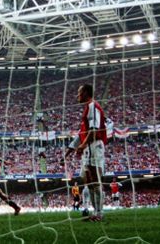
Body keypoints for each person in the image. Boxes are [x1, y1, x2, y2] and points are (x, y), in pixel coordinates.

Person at [65, 83, 107, 222]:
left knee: (95, 181)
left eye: (79, 92)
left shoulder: (92, 106)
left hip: (94, 146)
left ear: (86, 93)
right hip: (88, 147)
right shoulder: (87, 109)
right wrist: (69, 151)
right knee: (87, 180)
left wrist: (83, 145)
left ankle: (99, 213)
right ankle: (95, 213)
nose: (77, 95)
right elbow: (81, 134)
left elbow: (94, 130)